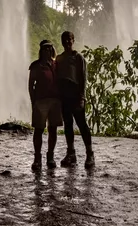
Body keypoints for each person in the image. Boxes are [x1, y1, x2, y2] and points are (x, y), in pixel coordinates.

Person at [55, 31, 94, 168]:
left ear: (73, 40)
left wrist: (82, 97)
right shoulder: (59, 58)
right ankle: (71, 154)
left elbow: (83, 79)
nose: (67, 42)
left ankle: (90, 154)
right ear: (61, 42)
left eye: (69, 39)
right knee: (68, 125)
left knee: (82, 124)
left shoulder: (78, 58)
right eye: (64, 40)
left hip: (75, 95)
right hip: (64, 95)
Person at [28, 39, 63, 170]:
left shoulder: (56, 64)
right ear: (41, 51)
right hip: (41, 101)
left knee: (53, 129)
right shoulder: (36, 66)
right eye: (44, 49)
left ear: (52, 50)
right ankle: (37, 158)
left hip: (55, 101)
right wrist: (33, 101)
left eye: (49, 48)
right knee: (38, 130)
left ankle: (50, 157)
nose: (47, 51)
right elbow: (31, 85)